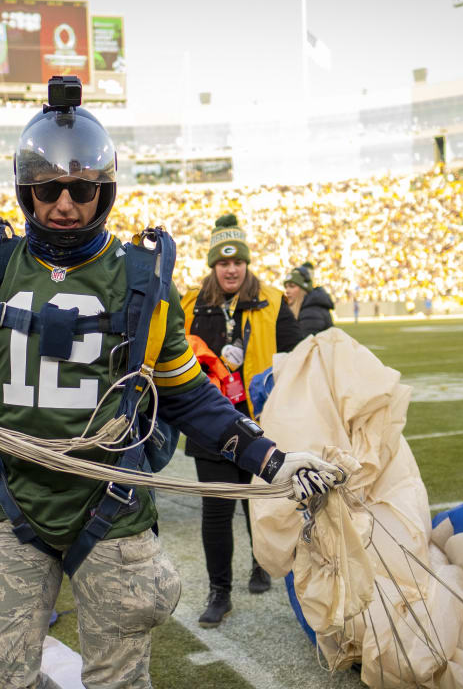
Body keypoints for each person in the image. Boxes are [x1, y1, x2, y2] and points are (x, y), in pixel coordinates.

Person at [0, 78, 334, 689]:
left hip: (110, 504)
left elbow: (188, 395)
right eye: (47, 188)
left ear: (103, 190)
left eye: (80, 188)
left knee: (120, 681)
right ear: (25, 188)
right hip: (12, 499)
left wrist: (272, 459)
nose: (63, 203)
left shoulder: (141, 280)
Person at [181, 215, 303, 627]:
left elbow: (297, 356)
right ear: (213, 265)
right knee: (216, 510)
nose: (231, 269)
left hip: (261, 423)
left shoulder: (271, 302)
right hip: (209, 424)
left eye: (237, 262)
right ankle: (220, 592)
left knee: (260, 503)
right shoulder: (191, 305)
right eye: (223, 263)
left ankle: (260, 561)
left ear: (246, 263)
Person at [283, 261, 335, 338]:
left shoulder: (310, 312)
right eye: (286, 287)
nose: (287, 291)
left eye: (292, 286)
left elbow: (305, 346)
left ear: (303, 289)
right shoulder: (308, 307)